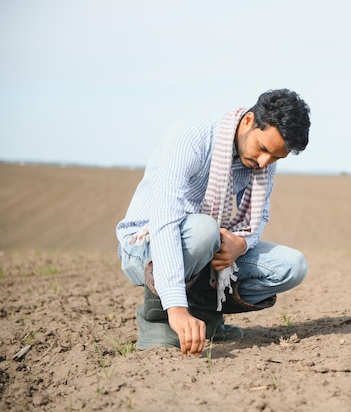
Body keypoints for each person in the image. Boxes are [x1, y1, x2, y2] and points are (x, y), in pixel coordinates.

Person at [115, 89, 311, 357]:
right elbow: (164, 220)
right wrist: (176, 310)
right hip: (145, 245)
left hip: (206, 246)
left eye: (276, 157)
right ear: (247, 121)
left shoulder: (262, 160)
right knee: (204, 230)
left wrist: (241, 244)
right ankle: (159, 321)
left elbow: (260, 216)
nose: (265, 162)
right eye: (264, 149)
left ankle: (205, 318)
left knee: (292, 265)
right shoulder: (190, 138)